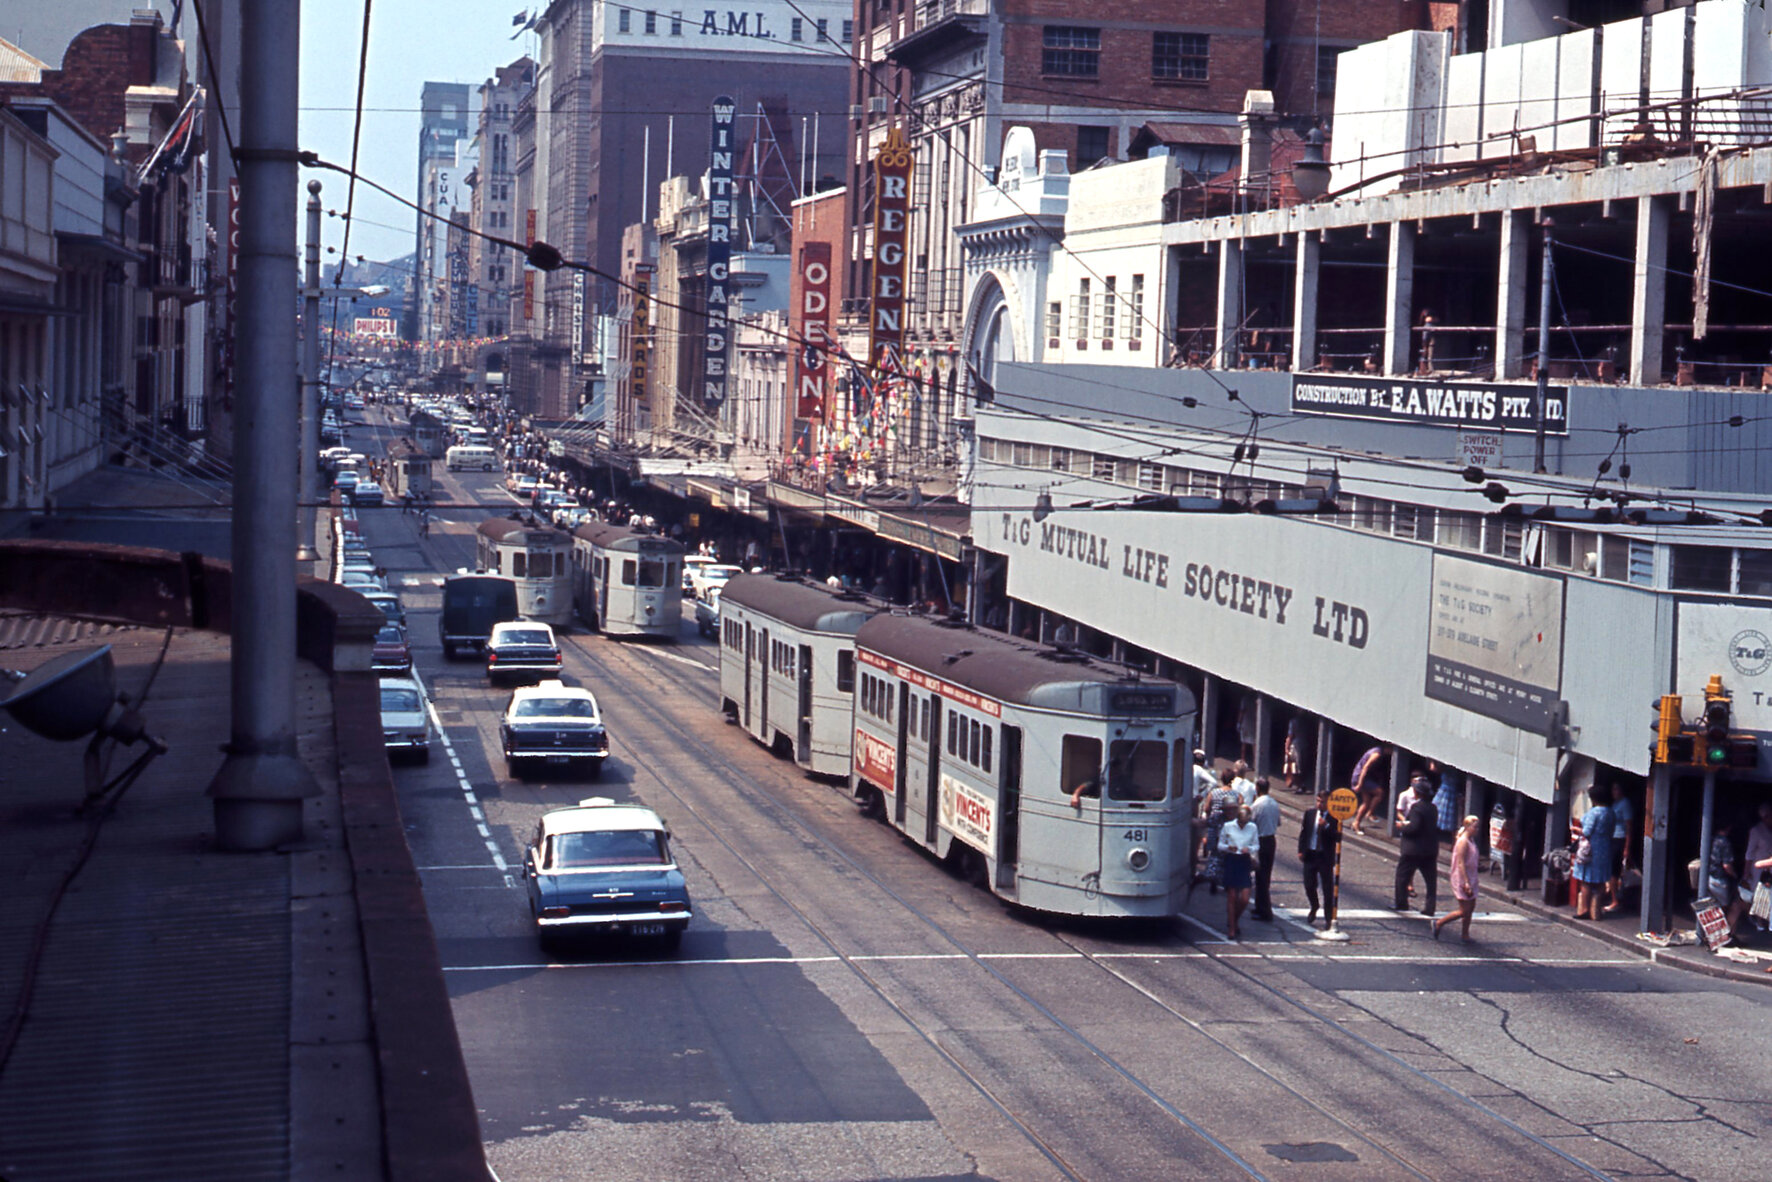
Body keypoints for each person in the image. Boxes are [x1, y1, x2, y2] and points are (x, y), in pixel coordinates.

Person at [1434, 815, 1483, 943]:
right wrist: (1466, 882)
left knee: (1471, 907)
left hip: (1471, 876)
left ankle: (1465, 934)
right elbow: (1460, 862)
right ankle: (1439, 923)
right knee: (1464, 909)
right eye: (1475, 827)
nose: (1477, 829)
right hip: (1462, 877)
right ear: (1467, 827)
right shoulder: (1463, 842)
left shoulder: (1471, 840)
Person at [1570, 784, 1615, 921]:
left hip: (1590, 850)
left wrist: (1576, 830)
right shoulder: (1610, 812)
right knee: (1600, 880)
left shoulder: (1594, 813)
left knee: (1586, 880)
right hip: (1605, 848)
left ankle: (1584, 909)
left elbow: (1587, 832)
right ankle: (1596, 910)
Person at [1298, 788, 1341, 927]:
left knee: (1328, 889)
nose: (1319, 804)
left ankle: (1328, 918)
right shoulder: (1310, 814)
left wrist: (1327, 826)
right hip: (1310, 854)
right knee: (1309, 884)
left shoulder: (1335, 818)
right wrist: (1301, 850)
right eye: (1317, 801)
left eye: (1322, 802)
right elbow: (1304, 833)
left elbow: (1337, 837)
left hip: (1324, 856)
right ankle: (1314, 905)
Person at [1394, 786, 1440, 915]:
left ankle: (1401, 903)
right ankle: (1430, 907)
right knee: (1431, 881)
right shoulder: (1433, 808)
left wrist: (1401, 827)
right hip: (1430, 849)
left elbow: (1414, 827)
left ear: (1417, 793)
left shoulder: (1416, 808)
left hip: (1413, 849)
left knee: (1402, 877)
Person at [1198, 768, 1241, 895]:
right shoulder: (1236, 794)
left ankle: (1213, 880)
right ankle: (1227, 881)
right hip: (1230, 829)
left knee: (1215, 855)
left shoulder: (1214, 793)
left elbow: (1207, 808)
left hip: (1215, 826)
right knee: (1229, 855)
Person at [1218, 804, 1258, 940]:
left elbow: (1256, 845)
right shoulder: (1228, 826)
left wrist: (1250, 849)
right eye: (1241, 822)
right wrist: (1229, 847)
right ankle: (1232, 929)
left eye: (1245, 823)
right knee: (1232, 896)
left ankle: (1234, 920)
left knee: (1245, 898)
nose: (1242, 825)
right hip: (1232, 860)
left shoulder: (1252, 828)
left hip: (1244, 860)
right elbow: (1220, 845)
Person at [1249, 778, 1280, 921]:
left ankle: (1265, 911)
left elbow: (1251, 823)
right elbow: (1278, 822)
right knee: (1265, 876)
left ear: (1257, 789)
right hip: (1271, 840)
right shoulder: (1274, 803)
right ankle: (1259, 906)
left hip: (1260, 840)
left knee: (1260, 877)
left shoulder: (1257, 805)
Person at [1604, 783, 1636, 914]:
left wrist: (1627, 848)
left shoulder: (1625, 804)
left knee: (1614, 872)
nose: (1613, 791)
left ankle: (1615, 900)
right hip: (1612, 838)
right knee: (1612, 871)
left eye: (1616, 788)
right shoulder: (1615, 804)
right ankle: (1614, 897)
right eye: (1612, 788)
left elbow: (1629, 827)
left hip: (1620, 839)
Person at [1349, 746, 1386, 835]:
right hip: (1361, 777)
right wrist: (1360, 784)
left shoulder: (1375, 750)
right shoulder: (1377, 754)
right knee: (1380, 793)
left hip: (1362, 777)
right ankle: (1370, 813)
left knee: (1366, 802)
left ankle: (1356, 823)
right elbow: (1366, 767)